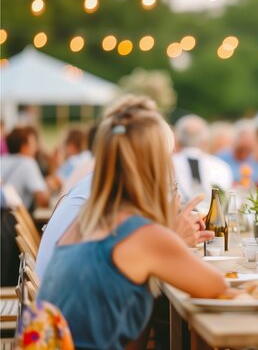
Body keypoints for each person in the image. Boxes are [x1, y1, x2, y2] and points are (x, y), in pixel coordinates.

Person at [38, 99, 228, 350]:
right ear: (154, 164)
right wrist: (170, 237)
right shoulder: (141, 234)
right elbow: (216, 286)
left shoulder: (87, 220)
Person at [36, 97, 214, 278]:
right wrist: (173, 238)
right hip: (69, 302)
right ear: (151, 158)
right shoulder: (116, 198)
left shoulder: (102, 186)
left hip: (52, 298)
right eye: (165, 157)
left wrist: (167, 231)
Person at [172, 115, 233, 208]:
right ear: (205, 142)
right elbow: (226, 204)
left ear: (177, 141)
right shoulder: (221, 167)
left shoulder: (165, 164)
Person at [1, 126, 50, 210]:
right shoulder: (27, 162)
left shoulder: (2, 160)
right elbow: (44, 201)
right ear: (24, 147)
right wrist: (48, 185)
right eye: (33, 144)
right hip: (13, 221)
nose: (36, 148)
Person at [218, 119, 258, 185]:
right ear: (235, 140)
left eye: (248, 148)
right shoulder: (222, 157)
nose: (244, 152)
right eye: (242, 148)